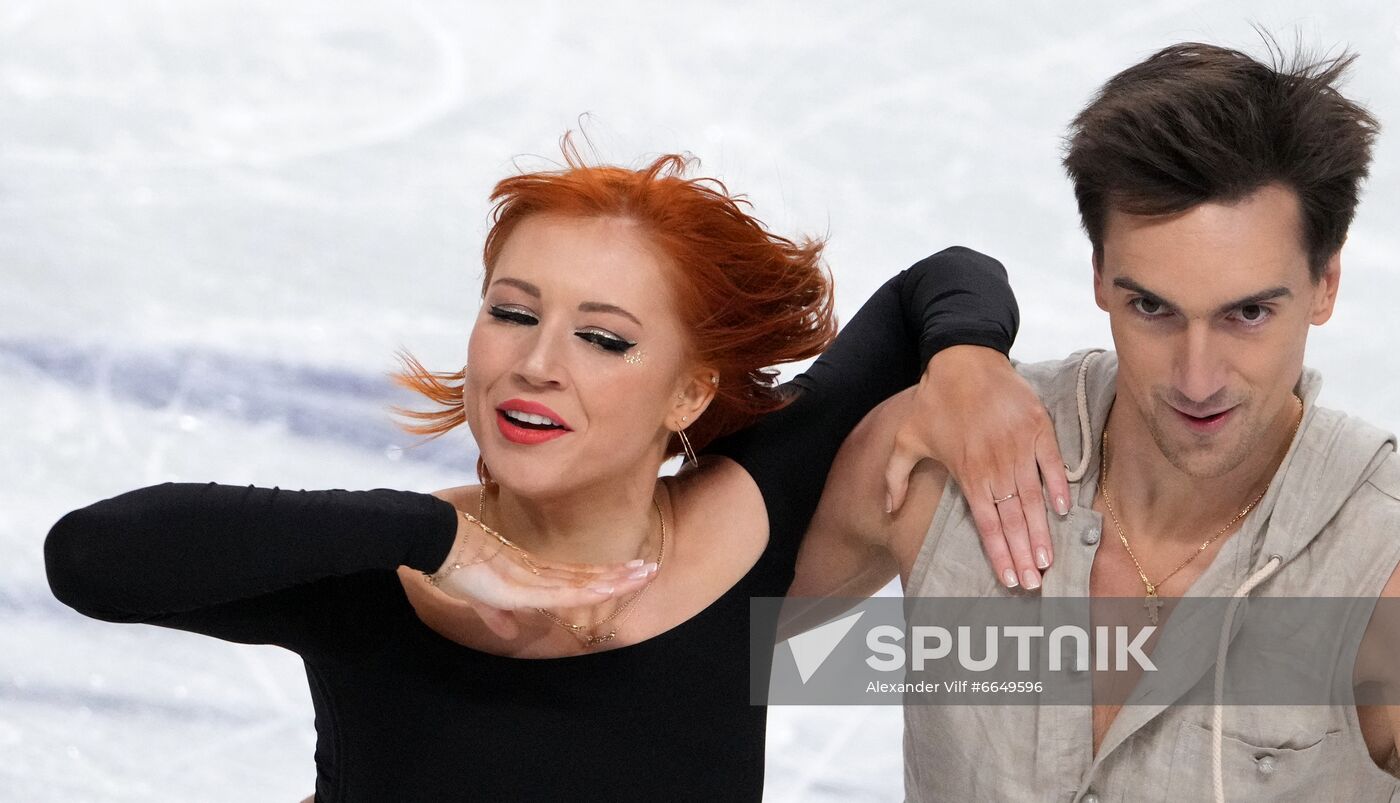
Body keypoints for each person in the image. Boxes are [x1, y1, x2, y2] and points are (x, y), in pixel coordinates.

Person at [45, 143, 1066, 800]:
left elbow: (942, 281)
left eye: (604, 339)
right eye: (514, 310)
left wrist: (966, 358)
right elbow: (90, 555)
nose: (536, 361)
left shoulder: (743, 511)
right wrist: (435, 539)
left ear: (684, 391)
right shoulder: (382, 574)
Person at [794, 41, 1400, 801]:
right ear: (1098, 276)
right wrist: (946, 325)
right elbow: (689, 647)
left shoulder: (1380, 560)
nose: (1197, 377)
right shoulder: (944, 455)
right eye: (1152, 306)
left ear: (1325, 283)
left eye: (1248, 312)